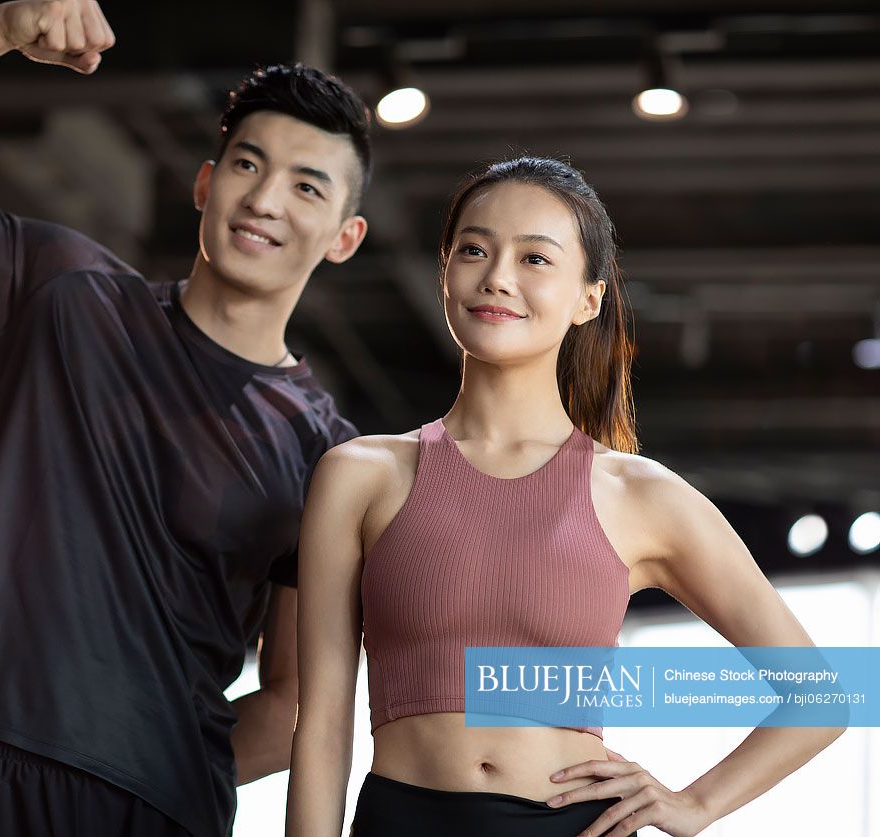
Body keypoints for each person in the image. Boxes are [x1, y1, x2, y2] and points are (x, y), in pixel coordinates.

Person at [0, 2, 373, 835]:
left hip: (153, 806)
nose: (266, 200)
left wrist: (154, 767)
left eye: (306, 185)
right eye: (248, 164)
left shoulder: (326, 451)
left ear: (345, 236)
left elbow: (292, 701)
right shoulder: (63, 290)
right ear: (207, 182)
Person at [285, 156, 846, 837]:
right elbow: (319, 724)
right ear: (443, 274)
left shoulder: (639, 494)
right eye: (473, 249)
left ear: (588, 298)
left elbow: (818, 695)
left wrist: (694, 803)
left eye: (534, 258)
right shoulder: (358, 473)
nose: (496, 276)